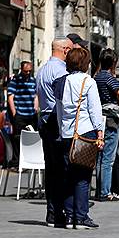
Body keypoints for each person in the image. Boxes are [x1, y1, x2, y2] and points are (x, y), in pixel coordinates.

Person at [55, 48, 104, 229]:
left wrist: (62, 131)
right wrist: (100, 132)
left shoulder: (61, 82)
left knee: (68, 176)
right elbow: (94, 110)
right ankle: (81, 217)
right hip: (85, 133)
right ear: (85, 64)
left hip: (67, 135)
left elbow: (59, 111)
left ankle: (69, 217)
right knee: (83, 177)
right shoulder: (88, 81)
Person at [35, 38, 72, 227]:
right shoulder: (60, 71)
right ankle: (59, 212)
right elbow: (62, 99)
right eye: (71, 51)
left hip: (44, 120)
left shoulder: (42, 70)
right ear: (65, 50)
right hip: (55, 122)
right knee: (61, 169)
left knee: (51, 169)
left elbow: (39, 99)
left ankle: (51, 213)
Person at [94, 49, 119, 201]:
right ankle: (105, 192)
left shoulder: (95, 78)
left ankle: (99, 190)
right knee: (108, 158)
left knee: (99, 158)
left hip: (98, 118)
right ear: (113, 62)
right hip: (110, 120)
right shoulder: (110, 79)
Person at [7, 61, 39, 156]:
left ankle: (30, 159)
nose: (28, 73)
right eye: (26, 71)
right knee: (18, 139)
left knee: (32, 139)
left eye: (29, 71)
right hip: (19, 116)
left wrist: (35, 108)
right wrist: (14, 113)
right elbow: (10, 98)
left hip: (31, 115)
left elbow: (36, 96)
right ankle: (18, 161)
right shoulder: (15, 81)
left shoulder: (33, 81)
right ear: (21, 70)